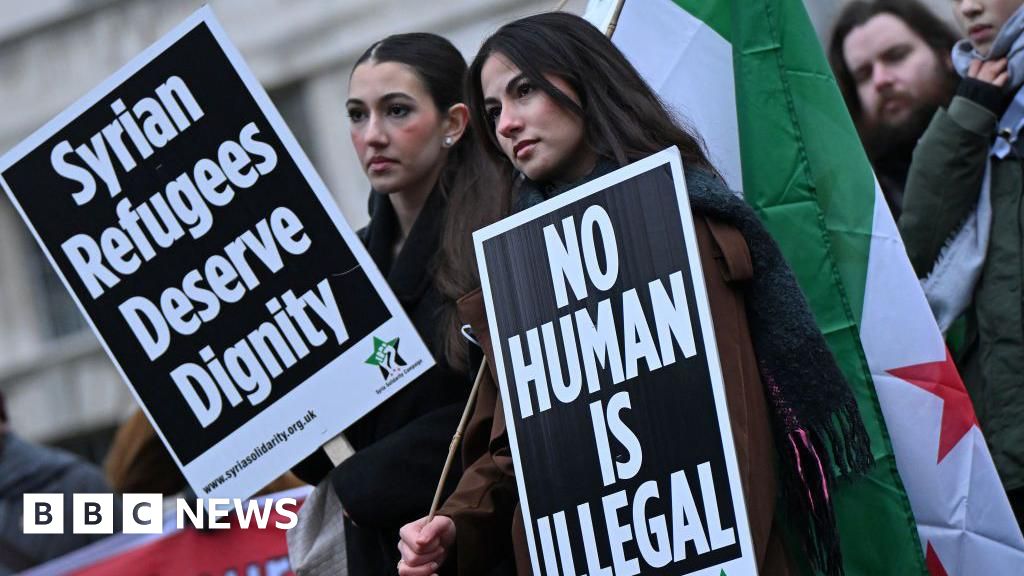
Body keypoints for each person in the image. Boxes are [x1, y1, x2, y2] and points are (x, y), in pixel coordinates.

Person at [398, 12, 872, 576]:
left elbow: (733, 429)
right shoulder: (516, 266)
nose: (507, 124)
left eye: (524, 91)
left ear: (585, 81)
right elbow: (516, 448)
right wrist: (455, 522)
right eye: (494, 110)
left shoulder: (687, 220)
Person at [287, 32, 500, 576]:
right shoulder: (342, 266)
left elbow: (506, 415)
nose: (372, 135)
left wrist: (366, 479)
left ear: (454, 123)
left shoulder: (501, 238)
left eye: (397, 110)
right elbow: (319, 446)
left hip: (481, 548)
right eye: (357, 115)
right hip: (378, 556)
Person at [899, 0, 1024, 524]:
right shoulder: (980, 98)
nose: (969, 6)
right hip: (1005, 451)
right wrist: (971, 112)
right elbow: (918, 247)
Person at [828, 0, 958, 219]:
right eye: (864, 74)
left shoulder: (1004, 134)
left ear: (945, 53)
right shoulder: (862, 207)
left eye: (896, 56)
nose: (880, 80)